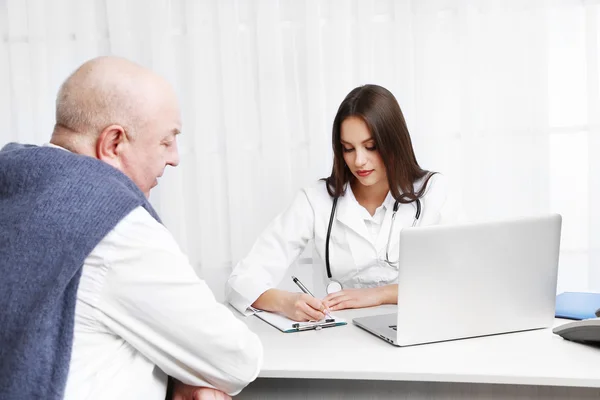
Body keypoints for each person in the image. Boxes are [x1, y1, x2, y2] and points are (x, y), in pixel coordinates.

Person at [0, 56, 262, 400]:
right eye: (166, 141)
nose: (175, 158)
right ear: (114, 144)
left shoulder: (16, 185)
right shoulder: (112, 225)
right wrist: (188, 371)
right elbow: (235, 358)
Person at [226, 84, 454, 322]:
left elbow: (458, 278)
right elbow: (240, 282)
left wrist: (380, 295)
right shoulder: (316, 199)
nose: (359, 161)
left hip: (420, 330)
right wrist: (287, 302)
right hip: (341, 341)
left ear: (394, 141)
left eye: (371, 147)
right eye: (348, 149)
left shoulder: (433, 192)